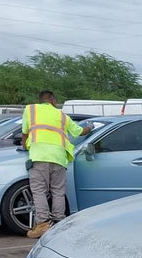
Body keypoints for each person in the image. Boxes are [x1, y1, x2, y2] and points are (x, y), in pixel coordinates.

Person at [21, 90, 94, 238]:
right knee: (58, 191)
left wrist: (26, 147)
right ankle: (58, 222)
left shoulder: (30, 110)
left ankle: (42, 224)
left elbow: (25, 133)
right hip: (59, 157)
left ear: (41, 100)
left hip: (39, 156)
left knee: (39, 191)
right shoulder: (61, 115)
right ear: (53, 101)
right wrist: (91, 126)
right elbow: (80, 132)